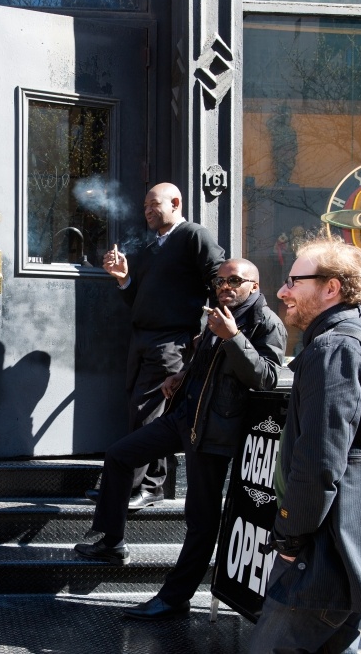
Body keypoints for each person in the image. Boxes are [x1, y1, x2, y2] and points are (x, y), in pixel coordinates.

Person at [75, 259, 286, 619]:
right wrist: (183, 375)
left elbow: (265, 377)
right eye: (220, 280)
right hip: (185, 417)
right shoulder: (218, 313)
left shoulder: (265, 323)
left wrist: (233, 338)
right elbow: (209, 366)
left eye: (235, 280)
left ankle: (175, 597)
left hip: (216, 431)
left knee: (201, 520)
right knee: (120, 454)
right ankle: (112, 541)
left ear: (254, 285)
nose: (226, 286)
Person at [247, 235, 361, 653]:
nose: (282, 291)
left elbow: (319, 460)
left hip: (327, 549)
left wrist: (289, 538)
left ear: (331, 287)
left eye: (293, 280)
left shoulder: (333, 347)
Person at [96, 182, 225, 509]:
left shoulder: (194, 236)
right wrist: (124, 279)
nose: (148, 211)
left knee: (148, 415)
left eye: (154, 204)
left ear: (176, 203)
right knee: (144, 413)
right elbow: (139, 301)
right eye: (145, 207)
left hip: (172, 341)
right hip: (142, 339)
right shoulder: (153, 246)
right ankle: (145, 485)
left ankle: (133, 488)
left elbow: (219, 280)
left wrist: (210, 331)